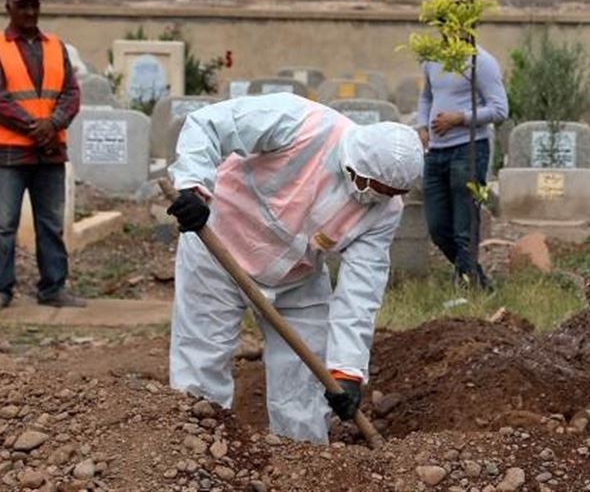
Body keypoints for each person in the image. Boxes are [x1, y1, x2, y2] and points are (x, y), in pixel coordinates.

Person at [166, 93, 423, 443]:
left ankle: (300, 465)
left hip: (296, 277)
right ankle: (197, 454)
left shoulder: (385, 210)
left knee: (303, 386)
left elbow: (360, 289)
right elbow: (209, 123)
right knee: (201, 364)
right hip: (218, 245)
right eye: (366, 185)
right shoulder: (301, 123)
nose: (370, 198)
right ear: (353, 163)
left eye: (386, 193)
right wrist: (193, 188)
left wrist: (347, 371)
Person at [0, 0, 83, 311]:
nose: (29, 11)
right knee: (3, 225)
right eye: (22, 5)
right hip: (8, 154)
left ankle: (53, 288)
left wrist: (52, 124)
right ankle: (0, 289)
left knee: (51, 224)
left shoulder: (56, 46)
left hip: (50, 150)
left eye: (34, 5)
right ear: (8, 8)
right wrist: (34, 126)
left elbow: (71, 93)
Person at [417, 45, 508, 287]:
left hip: (468, 149)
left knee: (464, 228)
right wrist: (422, 126)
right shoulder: (433, 59)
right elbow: (427, 96)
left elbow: (500, 109)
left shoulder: (481, 62)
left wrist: (460, 118)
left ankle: (469, 286)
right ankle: (476, 278)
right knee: (437, 227)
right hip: (435, 152)